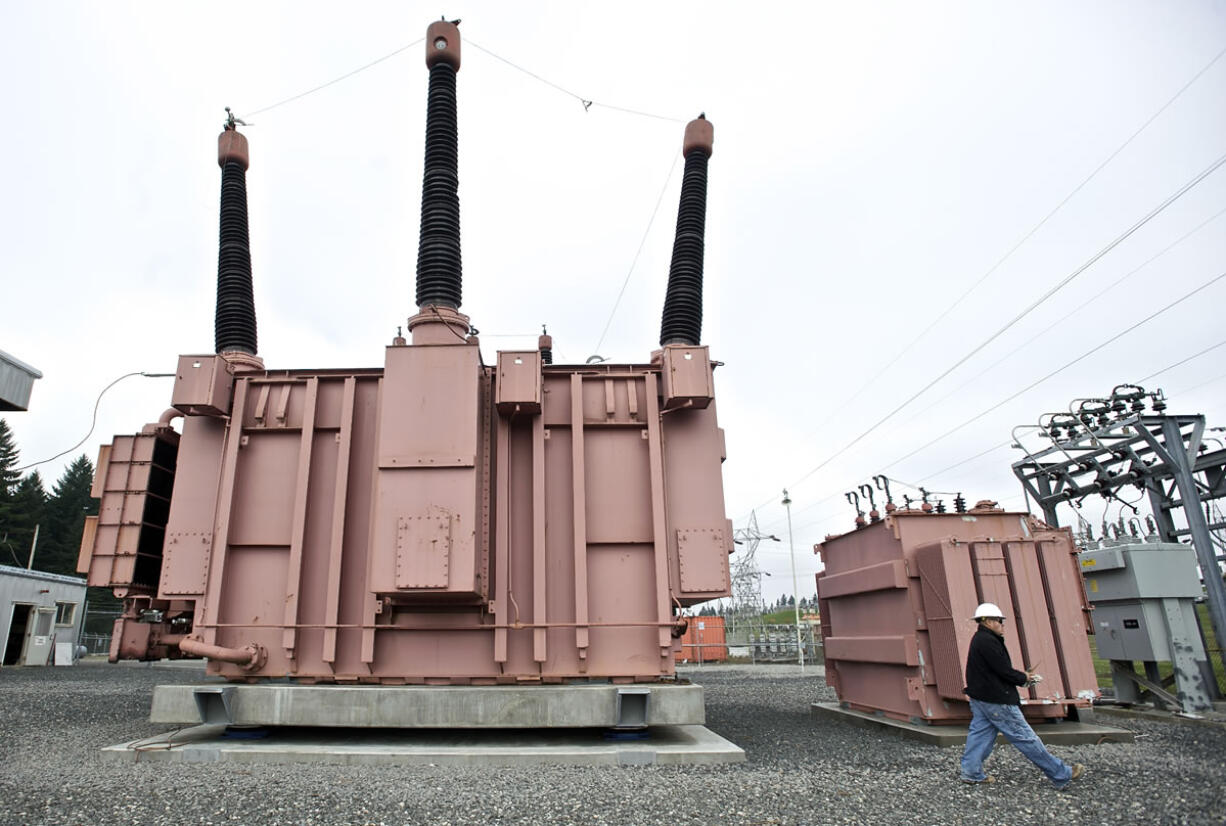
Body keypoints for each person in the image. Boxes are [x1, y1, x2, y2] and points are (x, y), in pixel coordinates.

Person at [959, 602, 1085, 789]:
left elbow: (995, 670)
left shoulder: (980, 639)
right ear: (988, 621)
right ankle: (1060, 773)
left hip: (981, 698)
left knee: (980, 735)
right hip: (997, 700)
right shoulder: (988, 642)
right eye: (1000, 621)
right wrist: (1024, 678)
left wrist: (1021, 677)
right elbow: (1002, 670)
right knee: (1025, 737)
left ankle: (971, 772)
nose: (1002, 624)